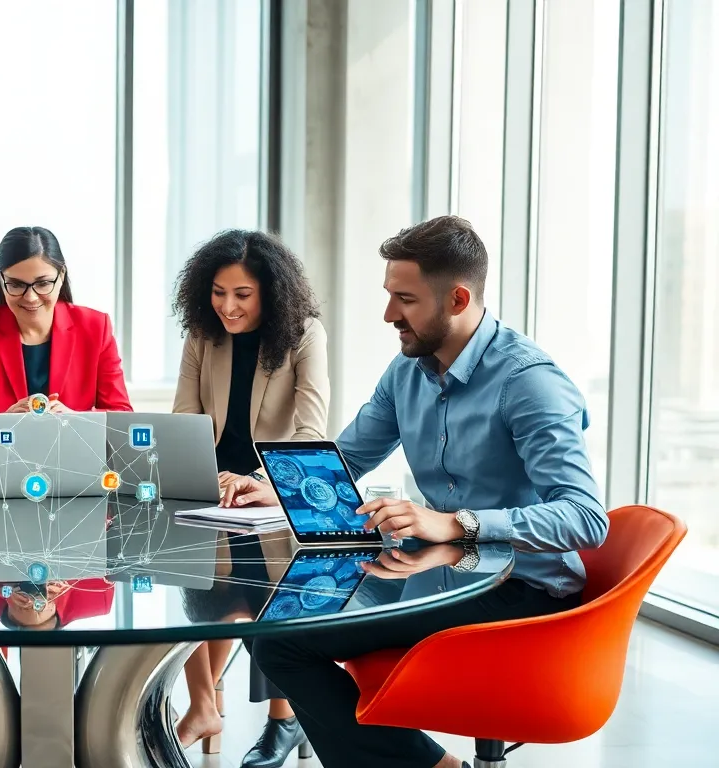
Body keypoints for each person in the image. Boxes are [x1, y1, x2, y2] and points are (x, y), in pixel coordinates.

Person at [224, 215, 608, 768]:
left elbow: (585, 518)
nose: (388, 315)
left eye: (404, 299)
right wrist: (270, 488)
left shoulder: (530, 383)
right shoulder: (407, 372)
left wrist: (455, 523)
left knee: (285, 643)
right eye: (388, 295)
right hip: (433, 571)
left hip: (518, 592)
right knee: (276, 621)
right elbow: (350, 455)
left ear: (457, 298)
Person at [169, 229, 329, 765]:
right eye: (218, 292)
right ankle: (203, 704)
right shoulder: (202, 335)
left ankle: (284, 721)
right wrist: (208, 473)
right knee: (193, 592)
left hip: (273, 488)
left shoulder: (303, 335)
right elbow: (185, 418)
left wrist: (261, 481)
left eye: (242, 294)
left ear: (270, 292)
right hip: (214, 486)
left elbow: (310, 430)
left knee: (271, 603)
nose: (227, 306)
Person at [0, 226, 132, 414]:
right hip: (2, 444)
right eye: (16, 284)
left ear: (61, 276)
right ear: (1, 279)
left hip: (74, 444)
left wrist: (76, 420)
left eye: (43, 283)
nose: (31, 297)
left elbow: (121, 415)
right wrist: (4, 423)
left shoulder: (95, 327)